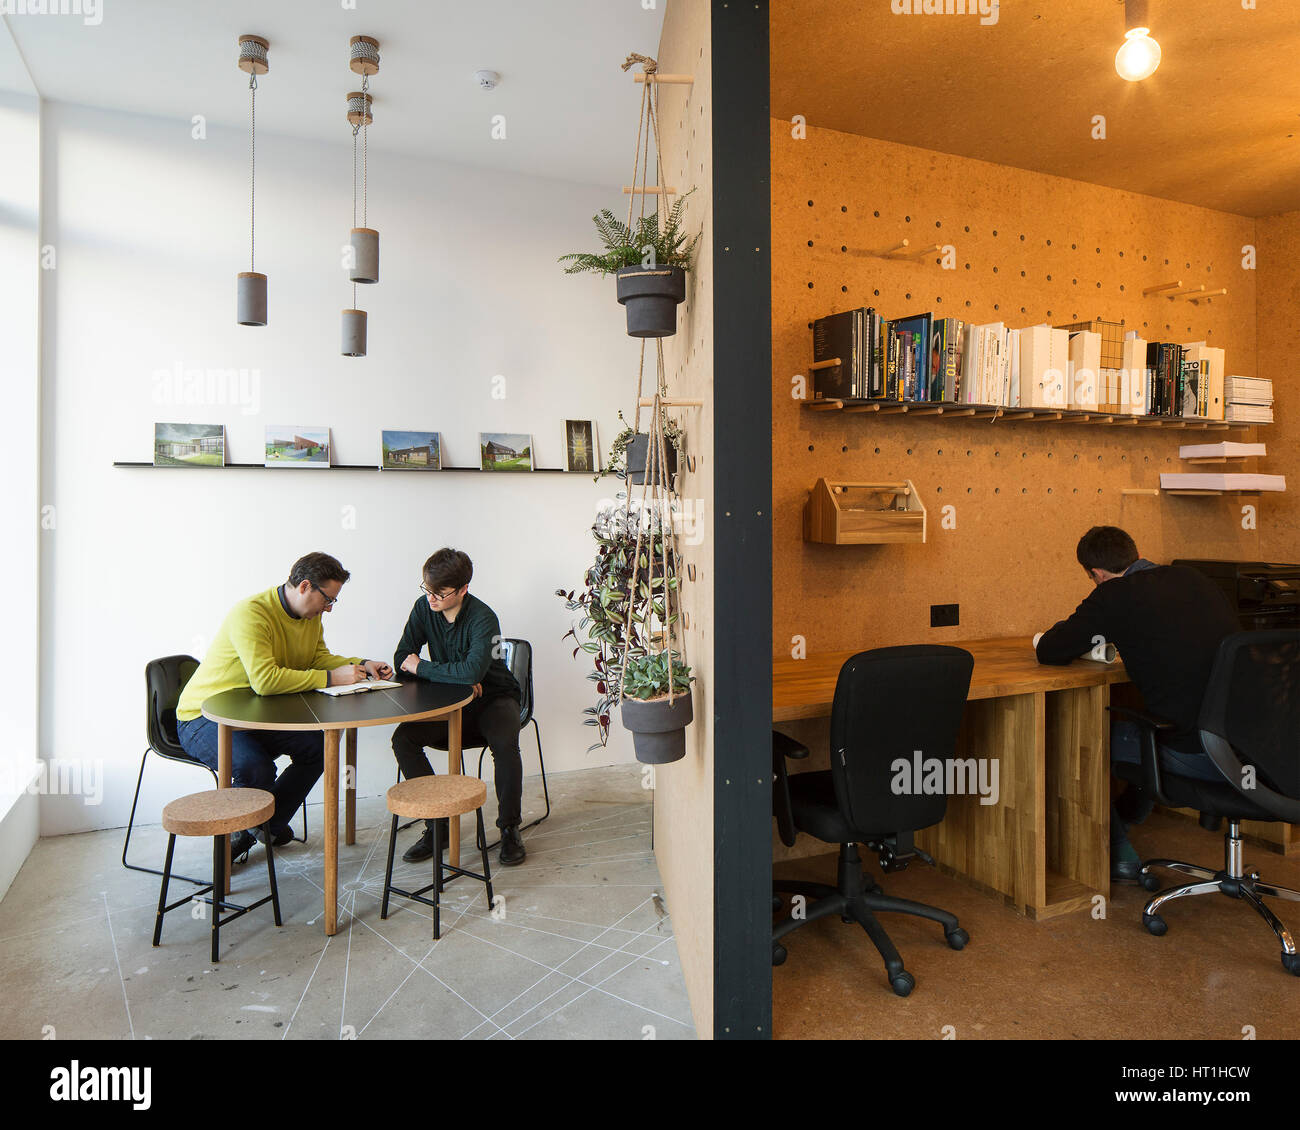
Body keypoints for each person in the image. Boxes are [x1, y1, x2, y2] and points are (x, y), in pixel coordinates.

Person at [1035, 526, 1240, 882]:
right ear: (1133, 553)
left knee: (1085, 741)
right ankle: (1128, 817)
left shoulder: (1114, 594)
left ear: (1096, 574)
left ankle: (1118, 851)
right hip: (1249, 746)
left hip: (1198, 752)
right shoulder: (1193, 578)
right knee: (1144, 727)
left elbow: (1051, 650)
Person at [176, 552, 392, 861]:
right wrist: (332, 678)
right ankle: (238, 838)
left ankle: (266, 825)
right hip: (202, 717)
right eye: (328, 599)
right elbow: (266, 681)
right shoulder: (251, 614)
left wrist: (361, 664)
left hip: (254, 714)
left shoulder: (310, 617)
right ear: (305, 586)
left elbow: (316, 658)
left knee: (318, 746)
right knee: (255, 767)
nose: (329, 608)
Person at [391, 548, 526, 867]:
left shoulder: (483, 617)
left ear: (463, 589)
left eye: (440, 593)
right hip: (453, 701)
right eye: (426, 589)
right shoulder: (424, 608)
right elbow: (401, 658)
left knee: (505, 745)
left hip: (495, 697)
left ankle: (509, 829)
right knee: (403, 739)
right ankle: (437, 825)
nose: (431, 598)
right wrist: (457, 678)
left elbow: (470, 673)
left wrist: (426, 668)